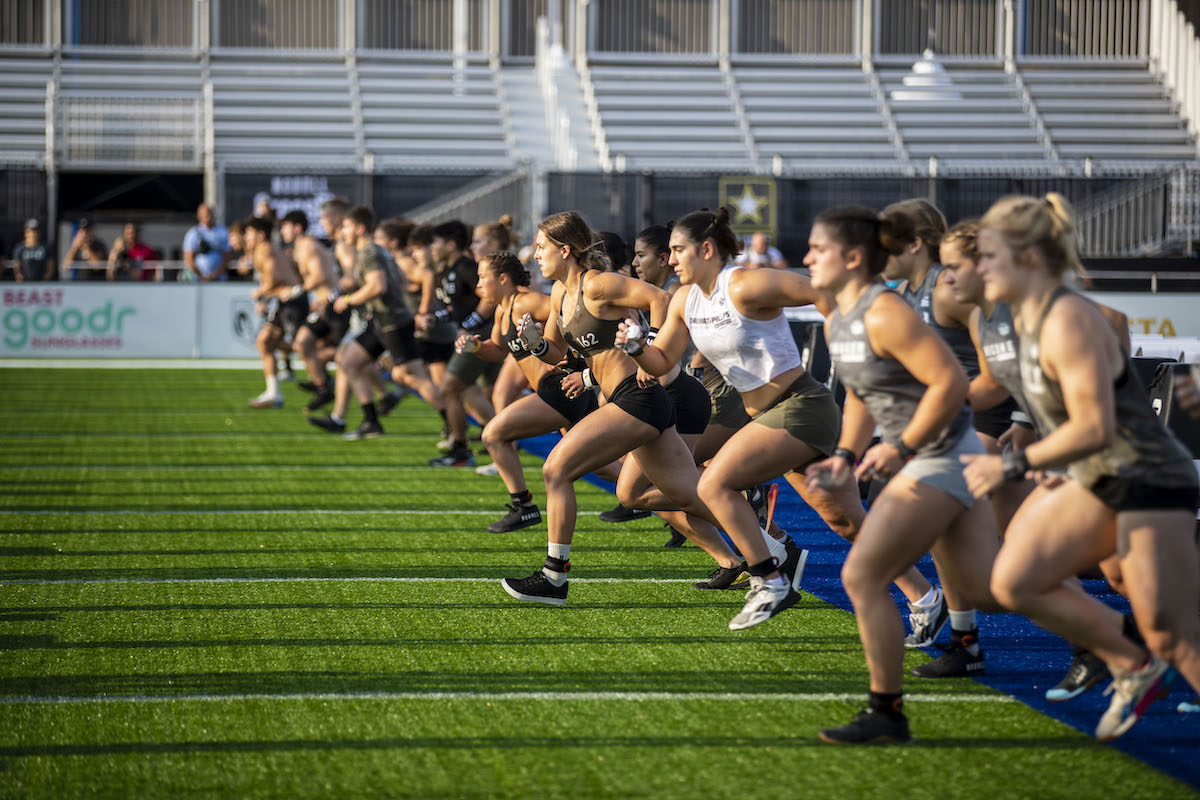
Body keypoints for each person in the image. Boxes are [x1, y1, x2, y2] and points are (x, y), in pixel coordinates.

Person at [963, 193, 1200, 741]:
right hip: (1100, 475)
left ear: (1026, 258)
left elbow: (1094, 425)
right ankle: (1133, 664)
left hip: (1147, 478)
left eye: (989, 256)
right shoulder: (1026, 317)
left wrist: (1016, 464)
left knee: (1172, 634)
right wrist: (1054, 459)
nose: (979, 269)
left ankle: (1142, 660)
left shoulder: (1066, 318)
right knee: (1016, 581)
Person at [629, 208, 930, 628]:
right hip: (770, 416)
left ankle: (769, 579)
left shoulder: (748, 283)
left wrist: (852, 343)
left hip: (801, 405)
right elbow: (660, 361)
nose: (672, 259)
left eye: (678, 250)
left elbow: (824, 293)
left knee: (714, 482)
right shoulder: (684, 298)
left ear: (708, 249)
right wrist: (634, 345)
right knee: (846, 522)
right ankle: (926, 598)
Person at [801, 205, 1001, 744]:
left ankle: (887, 712)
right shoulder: (837, 314)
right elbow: (866, 395)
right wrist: (845, 454)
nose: (805, 258)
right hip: (926, 455)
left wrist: (902, 446)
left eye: (817, 249)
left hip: (943, 455)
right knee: (1001, 587)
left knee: (862, 575)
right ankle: (1119, 637)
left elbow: (952, 385)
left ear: (852, 257)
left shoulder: (885, 311)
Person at [500, 211, 744, 606]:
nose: (536, 256)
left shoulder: (597, 284)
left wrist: (653, 350)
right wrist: (534, 342)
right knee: (686, 494)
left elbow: (660, 297)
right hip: (629, 399)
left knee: (555, 470)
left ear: (565, 250)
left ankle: (554, 577)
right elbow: (558, 355)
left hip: (638, 396)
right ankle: (774, 548)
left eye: (542, 248)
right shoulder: (561, 293)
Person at [311, 206, 442, 440]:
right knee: (348, 361)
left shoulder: (369, 251)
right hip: (381, 321)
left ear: (360, 229)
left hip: (393, 322)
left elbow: (377, 286)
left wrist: (348, 300)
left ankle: (454, 427)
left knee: (416, 378)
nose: (343, 231)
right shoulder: (376, 250)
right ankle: (371, 422)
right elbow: (399, 282)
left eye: (347, 226)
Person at [422, 220, 494, 467]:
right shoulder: (446, 269)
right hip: (475, 333)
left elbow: (489, 298)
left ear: (451, 244)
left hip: (482, 334)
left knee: (449, 388)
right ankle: (497, 437)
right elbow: (458, 307)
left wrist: (470, 325)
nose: (432, 247)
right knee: (467, 389)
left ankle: (461, 449)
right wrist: (436, 318)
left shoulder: (465, 267)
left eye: (436, 242)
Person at [244, 217, 305, 409]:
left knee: (304, 347)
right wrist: (266, 297)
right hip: (286, 302)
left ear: (260, 235)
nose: (246, 236)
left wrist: (261, 294)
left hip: (292, 302)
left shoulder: (264, 249)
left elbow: (274, 279)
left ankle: (337, 358)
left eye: (249, 232)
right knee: (264, 342)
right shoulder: (266, 249)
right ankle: (273, 394)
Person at [183, 203, 231, 283]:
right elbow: (188, 257)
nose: (207, 215)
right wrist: (201, 275)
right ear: (199, 216)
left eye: (209, 212)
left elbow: (227, 255)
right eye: (204, 213)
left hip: (218, 278)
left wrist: (215, 274)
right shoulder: (193, 233)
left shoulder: (222, 231)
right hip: (198, 279)